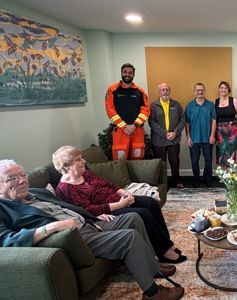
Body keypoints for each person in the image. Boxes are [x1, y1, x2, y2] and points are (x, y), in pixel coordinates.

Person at [0, 160, 184, 300]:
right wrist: (52, 227)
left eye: (22, 175)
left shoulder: (37, 192)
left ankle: (152, 267)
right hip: (73, 238)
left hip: (88, 222)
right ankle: (152, 293)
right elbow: (6, 240)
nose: (22, 181)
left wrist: (94, 215)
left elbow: (69, 206)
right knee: (129, 237)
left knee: (134, 217)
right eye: (12, 178)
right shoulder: (3, 207)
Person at [52, 146, 187, 264]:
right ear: (66, 166)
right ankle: (163, 252)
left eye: (81, 158)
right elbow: (88, 209)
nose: (84, 162)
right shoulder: (65, 189)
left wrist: (124, 192)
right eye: (78, 160)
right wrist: (120, 204)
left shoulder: (85, 174)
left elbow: (107, 184)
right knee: (142, 213)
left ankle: (165, 243)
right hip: (107, 211)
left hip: (119, 199)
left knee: (150, 202)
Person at [105, 63, 150, 160]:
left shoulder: (140, 91)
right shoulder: (112, 90)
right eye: (125, 72)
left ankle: (136, 176)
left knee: (137, 157)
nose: (127, 74)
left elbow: (146, 110)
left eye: (130, 73)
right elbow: (110, 109)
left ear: (134, 74)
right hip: (120, 130)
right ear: (121, 73)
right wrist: (123, 126)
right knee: (120, 159)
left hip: (136, 129)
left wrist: (134, 125)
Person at [149, 83, 185, 189]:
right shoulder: (153, 105)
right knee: (160, 163)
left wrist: (175, 132)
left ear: (169, 91)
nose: (165, 91)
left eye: (167, 90)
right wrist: (164, 133)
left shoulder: (176, 104)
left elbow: (182, 119)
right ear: (159, 92)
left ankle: (177, 180)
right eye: (162, 90)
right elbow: (151, 122)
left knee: (175, 161)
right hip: (159, 140)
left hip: (173, 139)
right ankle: (162, 183)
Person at [185, 83, 216, 187]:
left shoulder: (210, 105)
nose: (200, 92)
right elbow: (187, 122)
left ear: (204, 91)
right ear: (194, 91)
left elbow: (214, 121)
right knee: (194, 161)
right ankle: (196, 179)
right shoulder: (189, 106)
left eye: (202, 90)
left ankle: (208, 179)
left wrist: (212, 135)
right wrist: (188, 137)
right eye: (198, 90)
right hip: (194, 139)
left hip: (207, 138)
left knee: (208, 161)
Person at [215, 81, 237, 167]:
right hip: (219, 132)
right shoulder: (215, 102)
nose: (223, 90)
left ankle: (231, 176)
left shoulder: (234, 101)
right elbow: (214, 118)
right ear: (219, 90)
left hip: (232, 133)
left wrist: (232, 125)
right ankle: (223, 176)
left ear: (228, 90)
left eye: (225, 88)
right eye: (222, 88)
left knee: (231, 153)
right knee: (221, 152)